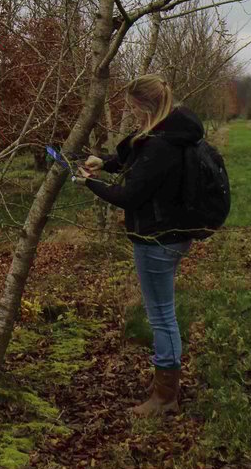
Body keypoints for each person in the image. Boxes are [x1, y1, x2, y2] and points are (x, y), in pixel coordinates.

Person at [76, 75, 204, 418]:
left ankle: (165, 396)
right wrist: (105, 162)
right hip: (172, 235)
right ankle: (165, 384)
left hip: (156, 240)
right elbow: (138, 163)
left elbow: (130, 195)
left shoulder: (161, 145)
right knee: (163, 312)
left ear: (146, 106)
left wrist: (91, 184)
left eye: (133, 108)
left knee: (161, 315)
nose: (131, 113)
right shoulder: (171, 130)